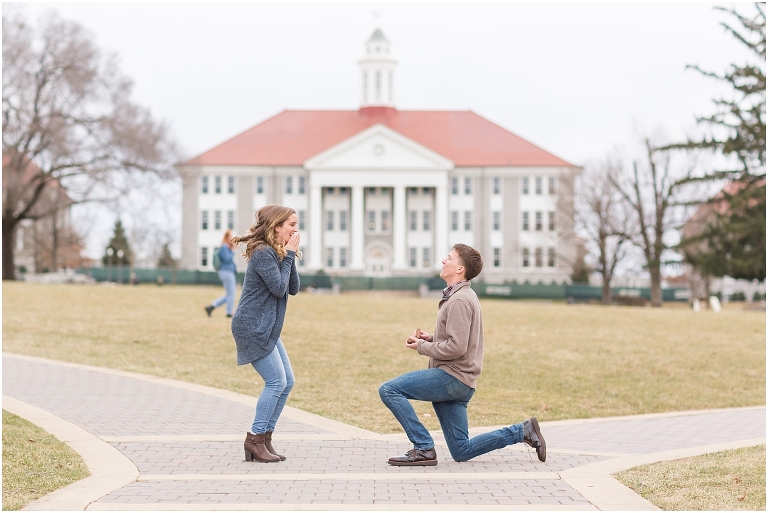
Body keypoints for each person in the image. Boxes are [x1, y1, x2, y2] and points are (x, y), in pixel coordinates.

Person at [378, 243, 546, 466]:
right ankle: (522, 431)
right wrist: (431, 339)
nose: (443, 261)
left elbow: (457, 348)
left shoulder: (459, 299)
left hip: (451, 378)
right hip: (462, 382)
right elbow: (457, 340)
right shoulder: (462, 295)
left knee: (389, 390)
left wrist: (422, 347)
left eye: (449, 258)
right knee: (461, 450)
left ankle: (423, 447)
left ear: (460, 269)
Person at [230, 205, 300, 463]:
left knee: (287, 381)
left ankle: (264, 440)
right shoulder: (262, 253)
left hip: (267, 325)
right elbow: (279, 289)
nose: (295, 229)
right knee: (275, 382)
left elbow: (292, 288)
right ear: (276, 226)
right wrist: (289, 255)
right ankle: (255, 439)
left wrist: (288, 255)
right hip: (253, 325)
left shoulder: (276, 253)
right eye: (291, 224)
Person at [204, 229, 237, 318]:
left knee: (229, 294)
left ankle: (211, 307)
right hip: (226, 272)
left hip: (227, 272)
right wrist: (233, 252)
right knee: (231, 294)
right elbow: (227, 259)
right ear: (226, 237)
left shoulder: (226, 247)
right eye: (230, 235)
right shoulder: (224, 247)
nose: (232, 237)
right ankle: (229, 313)